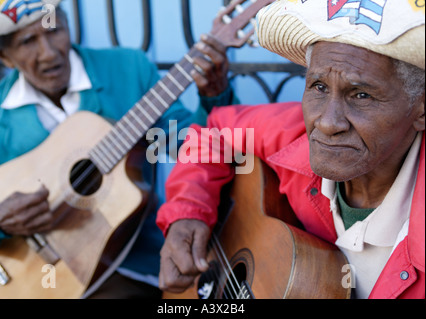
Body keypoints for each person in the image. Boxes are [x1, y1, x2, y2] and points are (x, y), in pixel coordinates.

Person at [157, 0, 425, 299]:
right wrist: (188, 213)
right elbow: (212, 132)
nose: (326, 122)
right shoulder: (293, 134)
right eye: (319, 87)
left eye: (361, 95)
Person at [0, 0, 236, 298]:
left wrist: (214, 98)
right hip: (39, 280)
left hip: (138, 262)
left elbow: (188, 146)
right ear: (3, 56)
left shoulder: (128, 69)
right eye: (27, 41)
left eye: (55, 31)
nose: (48, 52)